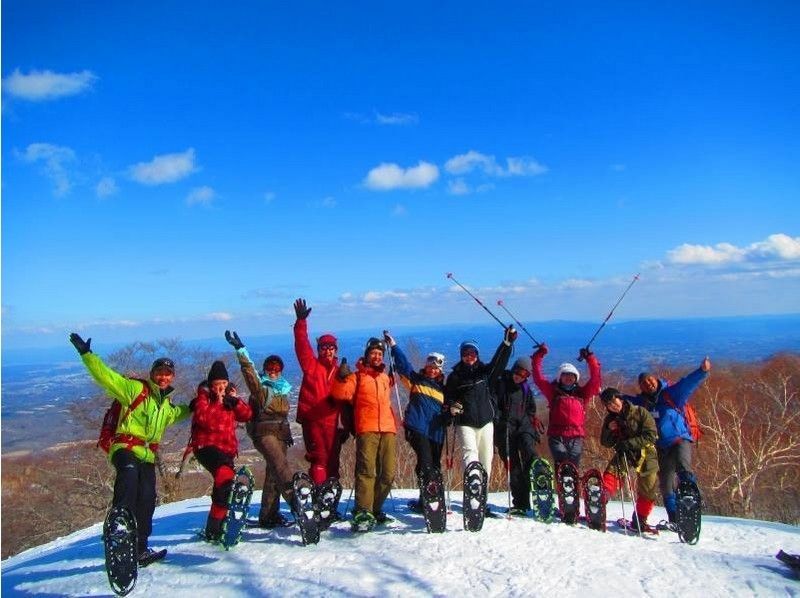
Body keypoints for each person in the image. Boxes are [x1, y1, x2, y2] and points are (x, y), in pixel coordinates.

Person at [68, 332, 191, 564]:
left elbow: (180, 413)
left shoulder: (165, 406)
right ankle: (119, 527)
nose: (163, 377)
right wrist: (87, 354)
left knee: (147, 498)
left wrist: (198, 404)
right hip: (124, 447)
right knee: (129, 474)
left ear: (172, 377)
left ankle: (140, 547)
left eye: (167, 374)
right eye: (159, 373)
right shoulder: (135, 389)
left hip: (146, 454)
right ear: (152, 374)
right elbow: (107, 378)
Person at [225, 330, 297, 528]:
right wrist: (241, 350)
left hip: (280, 434)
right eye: (269, 368)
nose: (273, 371)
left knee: (274, 473)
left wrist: (288, 434)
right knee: (281, 466)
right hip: (264, 433)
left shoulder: (283, 390)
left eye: (276, 368)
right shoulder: (261, 388)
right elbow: (250, 374)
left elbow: (282, 417)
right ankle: (298, 505)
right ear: (264, 370)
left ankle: (268, 516)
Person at [627, 357, 711, 526]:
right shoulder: (643, 403)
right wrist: (604, 393)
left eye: (649, 380)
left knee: (683, 469)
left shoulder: (671, 394)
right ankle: (675, 518)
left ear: (656, 379)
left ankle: (690, 500)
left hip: (679, 440)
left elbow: (687, 384)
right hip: (661, 448)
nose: (648, 384)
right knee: (666, 485)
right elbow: (623, 400)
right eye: (643, 383)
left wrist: (702, 371)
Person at [444, 327, 516, 509]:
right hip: (465, 422)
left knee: (486, 460)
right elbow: (449, 397)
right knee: (471, 455)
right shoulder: (455, 376)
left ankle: (481, 499)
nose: (470, 356)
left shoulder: (485, 372)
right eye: (466, 353)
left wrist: (507, 343)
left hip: (486, 422)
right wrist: (452, 406)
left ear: (477, 354)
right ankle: (473, 491)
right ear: (461, 355)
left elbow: (499, 362)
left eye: (473, 353)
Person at [330, 337, 397, 528]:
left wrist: (394, 349)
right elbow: (340, 394)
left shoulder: (384, 378)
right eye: (373, 353)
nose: (376, 357)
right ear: (366, 355)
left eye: (379, 354)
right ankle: (363, 511)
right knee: (366, 471)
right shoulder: (357, 377)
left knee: (388, 473)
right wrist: (341, 377)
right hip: (366, 428)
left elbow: (391, 385)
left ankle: (375, 508)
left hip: (388, 428)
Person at [383, 331, 447, 512]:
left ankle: (426, 498)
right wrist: (394, 346)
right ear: (426, 366)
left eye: (436, 368)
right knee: (426, 463)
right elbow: (403, 364)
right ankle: (429, 499)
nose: (432, 370)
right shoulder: (417, 380)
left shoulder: (444, 389)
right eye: (430, 366)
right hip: (418, 428)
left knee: (433, 466)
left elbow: (449, 409)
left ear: (440, 370)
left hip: (436, 433)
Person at [190, 360, 253, 541]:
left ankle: (215, 526)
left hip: (227, 450)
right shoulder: (204, 398)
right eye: (217, 384)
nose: (221, 387)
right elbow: (205, 420)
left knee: (224, 488)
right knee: (225, 477)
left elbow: (247, 415)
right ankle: (216, 525)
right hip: (206, 446)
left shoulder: (230, 399)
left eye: (224, 383)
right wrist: (218, 402)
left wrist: (236, 402)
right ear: (211, 385)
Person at [293, 298, 348, 486]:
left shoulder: (340, 372)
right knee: (318, 460)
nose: (328, 352)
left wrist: (347, 425)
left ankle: (330, 498)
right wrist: (301, 322)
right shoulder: (311, 365)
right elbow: (302, 345)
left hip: (333, 423)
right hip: (313, 420)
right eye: (324, 348)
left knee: (333, 461)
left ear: (336, 350)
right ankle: (319, 495)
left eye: (331, 348)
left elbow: (349, 397)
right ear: (319, 350)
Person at [531, 344, 601, 470]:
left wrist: (590, 358)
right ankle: (562, 488)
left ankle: (574, 489)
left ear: (576, 378)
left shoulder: (582, 394)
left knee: (574, 467)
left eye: (572, 376)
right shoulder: (553, 393)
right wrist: (539, 355)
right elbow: (538, 378)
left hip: (576, 436)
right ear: (559, 377)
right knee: (562, 464)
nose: (569, 378)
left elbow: (595, 379)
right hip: (557, 436)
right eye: (565, 375)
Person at [599, 387, 660, 533]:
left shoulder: (640, 412)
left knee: (648, 489)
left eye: (614, 401)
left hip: (646, 453)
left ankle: (640, 519)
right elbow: (605, 442)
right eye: (608, 404)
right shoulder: (610, 419)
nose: (613, 406)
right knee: (612, 473)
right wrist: (609, 429)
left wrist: (629, 443)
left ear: (620, 398)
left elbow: (651, 435)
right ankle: (600, 500)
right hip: (624, 453)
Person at [494, 356, 539, 515]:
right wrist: (498, 419)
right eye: (517, 373)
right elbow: (494, 404)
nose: (518, 377)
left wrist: (530, 424)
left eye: (523, 375)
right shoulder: (501, 384)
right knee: (513, 468)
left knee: (529, 452)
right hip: (504, 429)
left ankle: (538, 472)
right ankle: (521, 502)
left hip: (522, 426)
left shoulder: (525, 389)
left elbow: (531, 409)